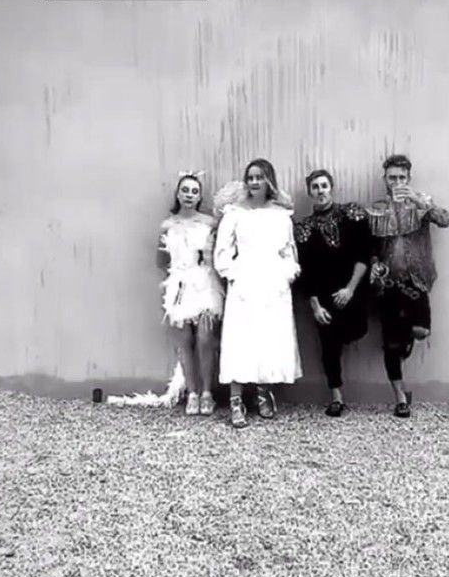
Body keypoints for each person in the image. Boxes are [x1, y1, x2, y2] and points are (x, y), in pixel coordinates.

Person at [213, 159, 302, 429]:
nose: (254, 182)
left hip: (273, 283)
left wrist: (286, 275)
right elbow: (222, 252)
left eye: (259, 177)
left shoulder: (280, 215)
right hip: (245, 282)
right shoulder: (234, 214)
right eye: (250, 177)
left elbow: (289, 251)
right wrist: (235, 274)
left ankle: (264, 394)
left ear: (269, 181)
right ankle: (236, 400)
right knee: (240, 338)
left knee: (268, 337)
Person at [368, 153, 449, 418]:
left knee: (420, 331)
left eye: (401, 177)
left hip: (417, 281)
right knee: (391, 345)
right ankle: (400, 398)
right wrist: (374, 264)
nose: (396, 182)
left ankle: (403, 340)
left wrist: (419, 200)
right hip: (389, 284)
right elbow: (372, 245)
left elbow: (445, 220)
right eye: (392, 177)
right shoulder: (377, 207)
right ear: (384, 179)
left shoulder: (421, 203)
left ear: (409, 178)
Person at [294, 169, 370, 416]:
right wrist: (315, 306)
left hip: (353, 289)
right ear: (309, 192)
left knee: (356, 330)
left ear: (332, 188)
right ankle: (336, 396)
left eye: (324, 185)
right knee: (328, 345)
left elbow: (364, 255)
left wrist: (350, 289)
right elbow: (306, 271)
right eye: (315, 187)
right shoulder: (304, 228)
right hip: (324, 295)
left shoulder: (352, 214)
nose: (320, 191)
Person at [157, 170, 224, 416]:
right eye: (185, 190)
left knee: (206, 338)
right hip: (180, 285)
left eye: (194, 191)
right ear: (177, 194)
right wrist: (178, 275)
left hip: (205, 283)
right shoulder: (167, 225)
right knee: (184, 340)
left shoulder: (209, 223)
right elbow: (160, 260)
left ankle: (207, 392)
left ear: (199, 197)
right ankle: (192, 393)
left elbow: (218, 254)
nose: (189, 195)